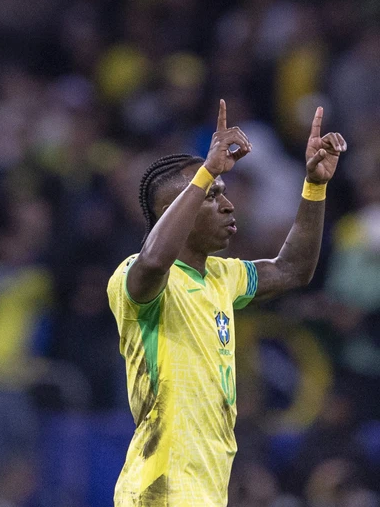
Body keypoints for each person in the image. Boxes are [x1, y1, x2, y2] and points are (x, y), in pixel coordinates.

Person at [108, 99, 346, 506]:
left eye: (222, 191)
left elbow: (292, 269)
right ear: (173, 211)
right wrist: (206, 172)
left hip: (205, 491)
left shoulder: (222, 276)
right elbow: (154, 260)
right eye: (211, 195)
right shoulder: (135, 277)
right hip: (159, 490)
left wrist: (314, 187)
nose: (228, 203)